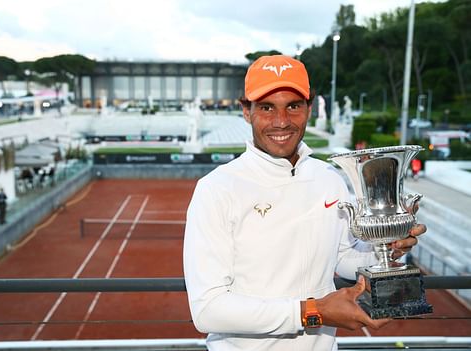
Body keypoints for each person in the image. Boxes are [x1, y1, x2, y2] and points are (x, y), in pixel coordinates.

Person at [183, 55, 427, 351]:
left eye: (293, 106)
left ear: (309, 109)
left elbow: (343, 257)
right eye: (266, 107)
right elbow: (208, 310)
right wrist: (313, 311)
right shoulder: (216, 188)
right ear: (246, 111)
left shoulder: (328, 176)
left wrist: (385, 248)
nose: (281, 121)